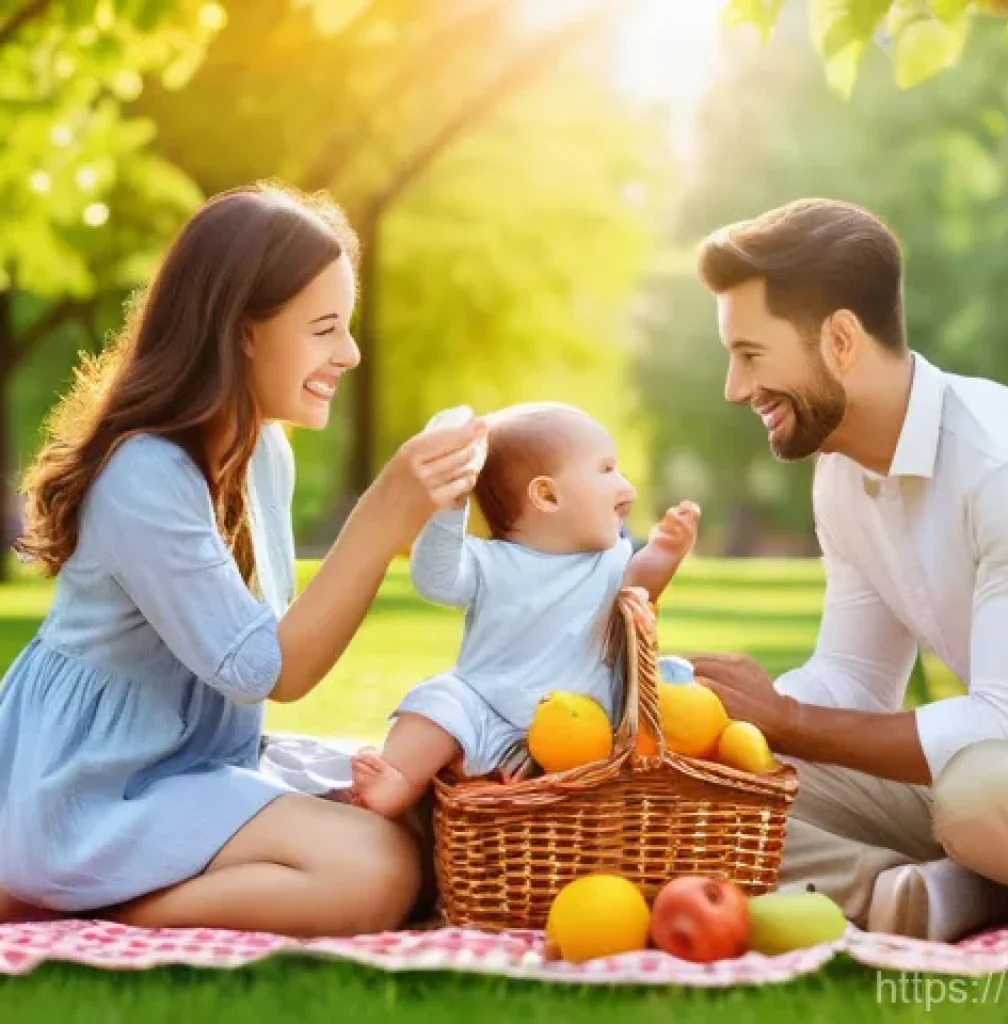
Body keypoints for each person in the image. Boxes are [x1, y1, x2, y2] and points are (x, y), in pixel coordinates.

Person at [0, 182, 489, 938]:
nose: (350, 353)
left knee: (419, 819)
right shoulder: (145, 474)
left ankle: (97, 891)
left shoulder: (263, 452)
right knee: (378, 871)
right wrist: (384, 514)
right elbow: (271, 670)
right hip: (96, 786)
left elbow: (274, 645)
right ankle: (86, 902)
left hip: (194, 760)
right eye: (325, 328)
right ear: (242, 333)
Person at [687, 197, 1008, 943]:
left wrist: (791, 721)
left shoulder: (1004, 467)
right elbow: (854, 679)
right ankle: (909, 893)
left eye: (750, 355)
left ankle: (983, 892)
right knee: (722, 796)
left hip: (1002, 777)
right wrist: (723, 725)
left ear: (840, 339)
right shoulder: (841, 473)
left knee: (974, 793)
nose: (736, 390)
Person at [351, 401, 701, 817]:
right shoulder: (489, 563)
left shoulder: (610, 561)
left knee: (667, 695)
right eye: (607, 470)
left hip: (582, 729)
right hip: (486, 709)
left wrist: (666, 551)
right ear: (548, 495)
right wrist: (448, 510)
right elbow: (436, 580)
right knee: (436, 704)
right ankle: (400, 779)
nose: (627, 488)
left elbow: (640, 589)